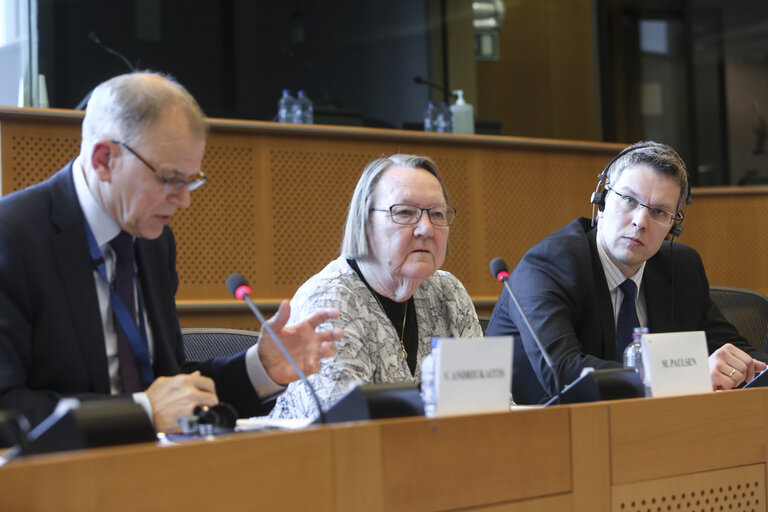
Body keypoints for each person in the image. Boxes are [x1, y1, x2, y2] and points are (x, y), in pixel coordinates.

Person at [0, 71, 341, 433]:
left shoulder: (153, 241)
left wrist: (262, 367)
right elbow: (6, 408)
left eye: (191, 180)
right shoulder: (13, 237)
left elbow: (173, 385)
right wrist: (141, 411)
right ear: (103, 159)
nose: (185, 200)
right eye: (169, 179)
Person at [485, 141, 768, 404]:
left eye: (659, 212)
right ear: (603, 200)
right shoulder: (548, 264)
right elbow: (562, 372)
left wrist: (750, 366)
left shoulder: (681, 269)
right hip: (541, 434)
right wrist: (687, 377)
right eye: (629, 200)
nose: (640, 221)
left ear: (674, 226)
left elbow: (733, 351)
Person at [269, 154, 482, 419]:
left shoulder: (448, 292)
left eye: (437, 213)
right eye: (405, 212)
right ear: (365, 223)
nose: (426, 229)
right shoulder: (330, 301)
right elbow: (342, 427)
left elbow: (486, 403)